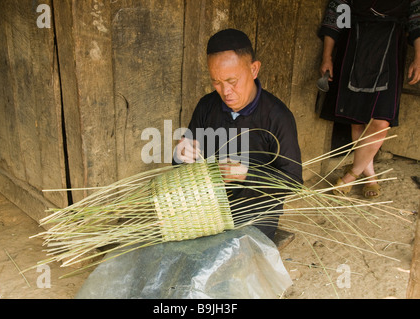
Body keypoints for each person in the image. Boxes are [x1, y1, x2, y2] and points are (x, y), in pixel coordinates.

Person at [174, 28, 303, 240]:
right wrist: (181, 155)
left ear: (254, 69)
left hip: (255, 214)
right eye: (216, 81)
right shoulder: (207, 106)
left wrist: (247, 175)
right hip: (211, 205)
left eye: (232, 81)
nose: (225, 91)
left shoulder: (277, 117)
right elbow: (186, 161)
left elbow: (292, 180)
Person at [318, 0, 420, 198]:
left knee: (381, 121)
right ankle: (370, 177)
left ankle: (352, 174)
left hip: (390, 50)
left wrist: (418, 57)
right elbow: (336, 20)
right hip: (355, 47)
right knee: (357, 120)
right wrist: (327, 56)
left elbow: (417, 23)